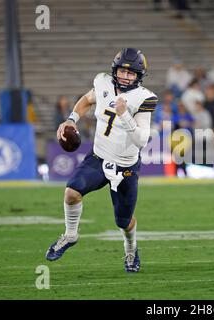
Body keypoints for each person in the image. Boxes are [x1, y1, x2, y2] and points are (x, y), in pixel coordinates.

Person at [45, 48, 158, 273]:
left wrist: (125, 114)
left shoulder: (144, 98)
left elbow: (142, 140)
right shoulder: (103, 82)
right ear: (114, 70)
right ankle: (70, 235)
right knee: (71, 192)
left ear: (139, 76)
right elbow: (87, 100)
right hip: (98, 156)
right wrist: (71, 120)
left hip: (125, 166)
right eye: (122, 72)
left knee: (123, 222)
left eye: (131, 73)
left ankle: (131, 248)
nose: (125, 76)